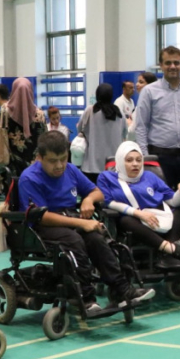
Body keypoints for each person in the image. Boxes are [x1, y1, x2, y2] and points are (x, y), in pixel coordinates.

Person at [19, 131, 154, 316]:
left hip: (70, 220)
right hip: (43, 227)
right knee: (74, 240)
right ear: (40, 158)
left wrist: (88, 200)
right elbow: (42, 217)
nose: (59, 165)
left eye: (63, 159)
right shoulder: (29, 178)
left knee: (97, 239)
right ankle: (85, 298)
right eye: (52, 161)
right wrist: (81, 223)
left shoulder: (70, 170)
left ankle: (122, 290)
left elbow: (98, 192)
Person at [97, 141, 180, 271]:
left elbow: (172, 201)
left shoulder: (150, 176)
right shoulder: (106, 177)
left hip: (159, 218)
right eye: (129, 160)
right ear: (120, 161)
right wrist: (139, 214)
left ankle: (168, 257)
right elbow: (109, 202)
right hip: (136, 222)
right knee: (125, 220)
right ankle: (172, 249)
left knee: (179, 211)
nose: (135, 164)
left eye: (139, 160)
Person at [134, 46, 180, 193]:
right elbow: (141, 126)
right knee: (160, 200)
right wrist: (145, 157)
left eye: (176, 62)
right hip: (159, 157)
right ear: (161, 65)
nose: (172, 66)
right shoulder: (149, 92)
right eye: (168, 63)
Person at [77, 83, 128, 183]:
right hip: (113, 166)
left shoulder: (90, 110)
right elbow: (124, 133)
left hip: (91, 166)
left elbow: (80, 129)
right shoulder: (119, 113)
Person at [4, 77, 48, 177]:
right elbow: (45, 138)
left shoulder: (5, 112)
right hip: (35, 166)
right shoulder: (40, 115)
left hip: (11, 165)